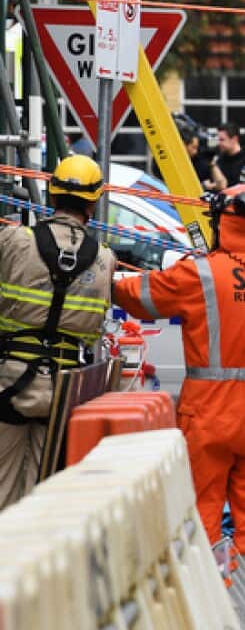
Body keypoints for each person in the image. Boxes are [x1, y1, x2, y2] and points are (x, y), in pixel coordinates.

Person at [113, 185, 245, 629]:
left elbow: (137, 296)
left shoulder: (199, 273)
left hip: (210, 417)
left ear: (221, 221)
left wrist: (105, 274)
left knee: (201, 517)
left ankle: (212, 611)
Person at [0, 155, 115, 510]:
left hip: (10, 382)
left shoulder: (16, 241)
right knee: (43, 498)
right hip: (65, 391)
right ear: (94, 202)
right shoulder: (104, 259)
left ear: (52, 196)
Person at [179, 119, 227, 192]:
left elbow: (222, 185)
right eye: (193, 147)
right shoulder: (174, 161)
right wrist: (201, 186)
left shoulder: (199, 160)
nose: (196, 151)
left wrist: (212, 164)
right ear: (183, 145)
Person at [216, 123, 245, 188]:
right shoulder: (220, 160)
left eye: (222, 140)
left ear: (234, 139)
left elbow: (244, 187)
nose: (219, 143)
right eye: (218, 140)